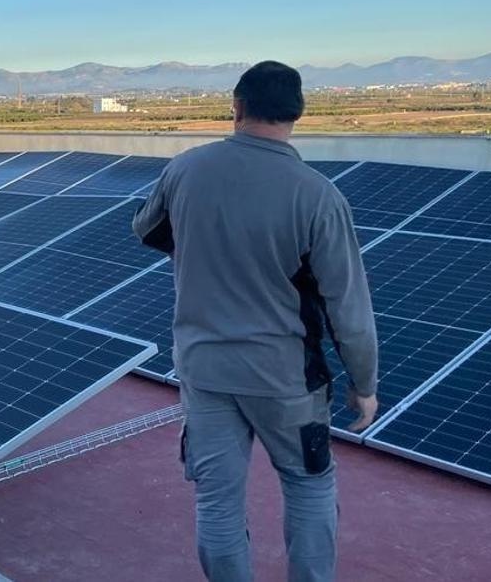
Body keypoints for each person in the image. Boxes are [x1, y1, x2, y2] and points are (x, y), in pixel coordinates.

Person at [131, 61, 379, 582]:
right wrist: (364, 385)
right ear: (298, 113)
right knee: (308, 485)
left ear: (237, 106)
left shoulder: (186, 169)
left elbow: (147, 229)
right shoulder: (316, 194)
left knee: (217, 501)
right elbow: (348, 308)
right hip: (285, 379)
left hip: (204, 370)